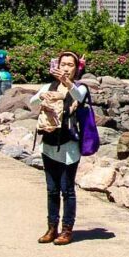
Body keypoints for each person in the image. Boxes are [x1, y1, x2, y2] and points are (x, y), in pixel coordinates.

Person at [31, 51, 88, 246]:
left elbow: (79, 98)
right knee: (52, 189)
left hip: (69, 146)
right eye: (63, 64)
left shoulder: (80, 87)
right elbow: (32, 102)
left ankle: (67, 229)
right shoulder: (49, 86)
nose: (66, 68)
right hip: (48, 144)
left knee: (67, 189)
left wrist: (67, 83)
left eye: (70, 65)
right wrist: (43, 97)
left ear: (77, 68)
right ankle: (51, 227)